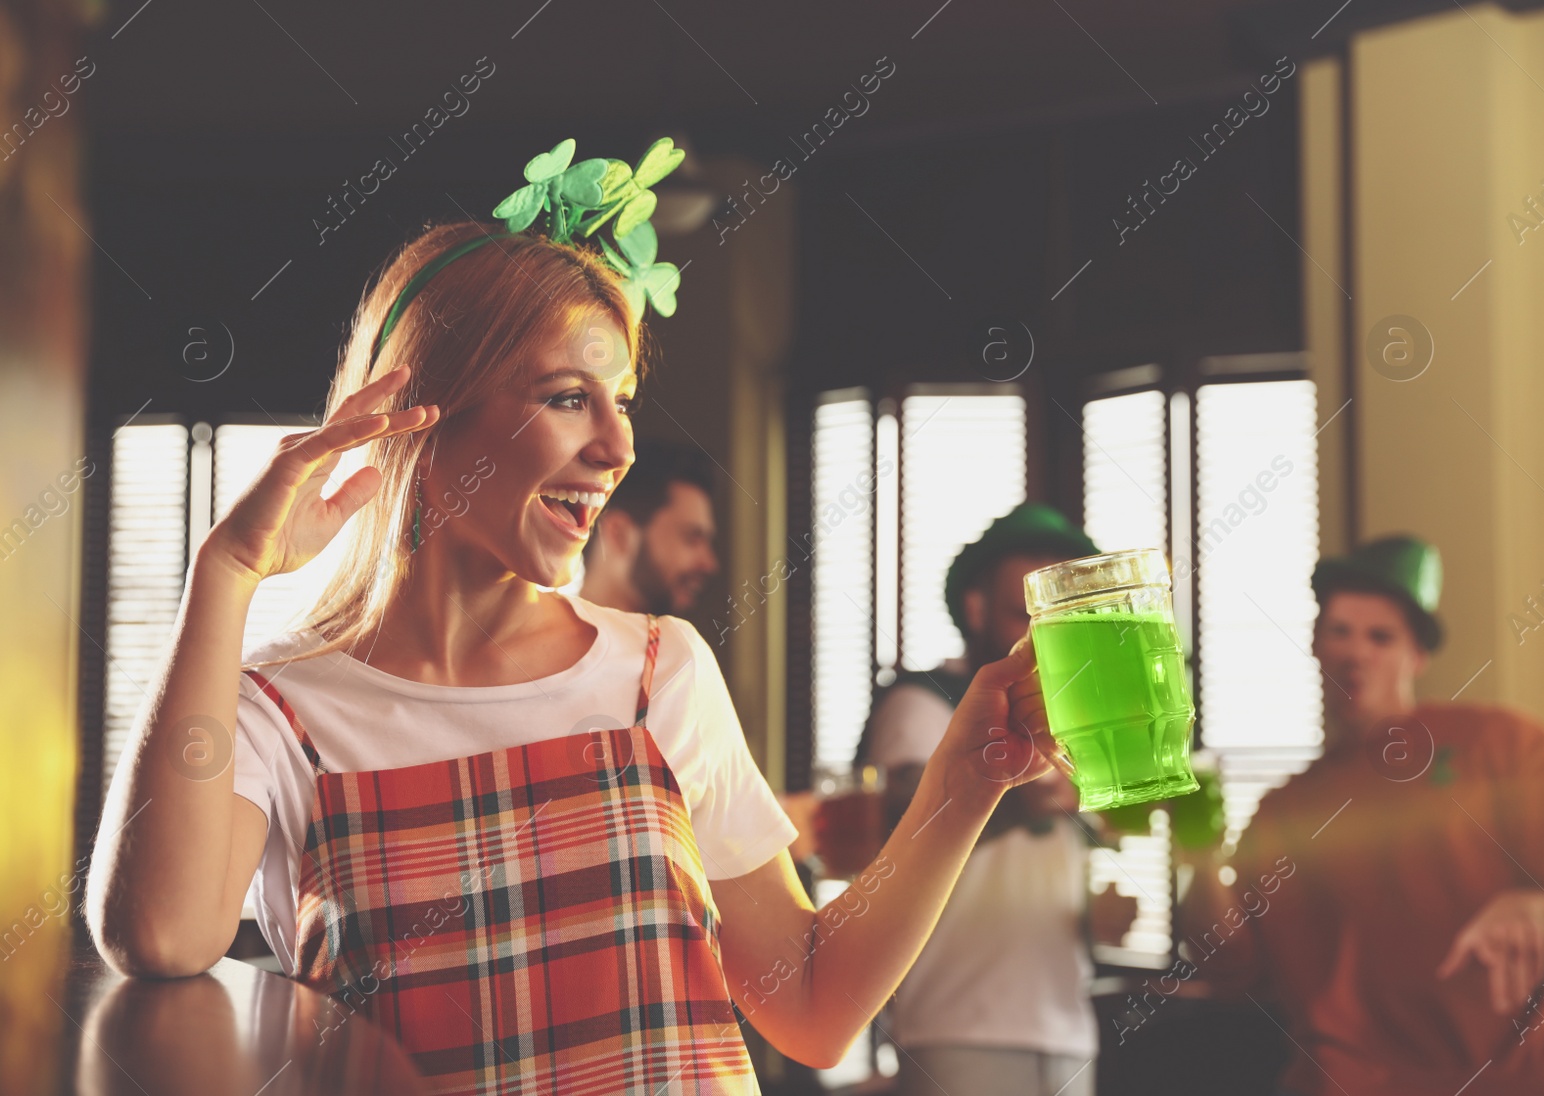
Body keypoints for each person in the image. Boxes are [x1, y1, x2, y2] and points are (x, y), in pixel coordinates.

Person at [83, 136, 1069, 1096]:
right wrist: (227, 569)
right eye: (567, 398)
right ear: (417, 415)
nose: (617, 446)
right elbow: (159, 937)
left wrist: (967, 775)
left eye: (623, 399)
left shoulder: (657, 673)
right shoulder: (278, 711)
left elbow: (810, 1004)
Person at [1185, 535, 1544, 1096]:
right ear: (1314, 644)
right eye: (1340, 632)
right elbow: (1231, 967)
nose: (1357, 652)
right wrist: (1196, 846)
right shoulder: (1283, 812)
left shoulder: (1507, 748)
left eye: (1381, 636)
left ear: (1417, 655)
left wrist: (1539, 911)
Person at [858, 503, 1103, 1096]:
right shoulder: (923, 704)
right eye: (1028, 613)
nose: (1049, 632)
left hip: (1069, 1027)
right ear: (974, 608)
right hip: (954, 1021)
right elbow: (899, 826)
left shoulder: (1079, 725)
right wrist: (1024, 797)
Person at [579, 437, 720, 616]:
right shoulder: (543, 640)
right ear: (619, 533)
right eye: (691, 539)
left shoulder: (681, 643)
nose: (710, 564)